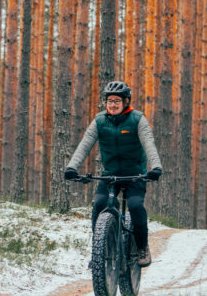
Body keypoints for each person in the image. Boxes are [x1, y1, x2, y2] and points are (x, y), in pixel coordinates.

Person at [64, 81, 162, 266]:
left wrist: (155, 167)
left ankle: (142, 247)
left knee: (135, 205)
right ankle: (98, 252)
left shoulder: (137, 119)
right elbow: (85, 144)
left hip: (135, 176)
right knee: (100, 204)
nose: (113, 104)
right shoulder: (100, 121)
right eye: (109, 101)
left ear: (126, 102)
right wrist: (72, 167)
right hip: (110, 175)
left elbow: (149, 144)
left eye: (117, 100)